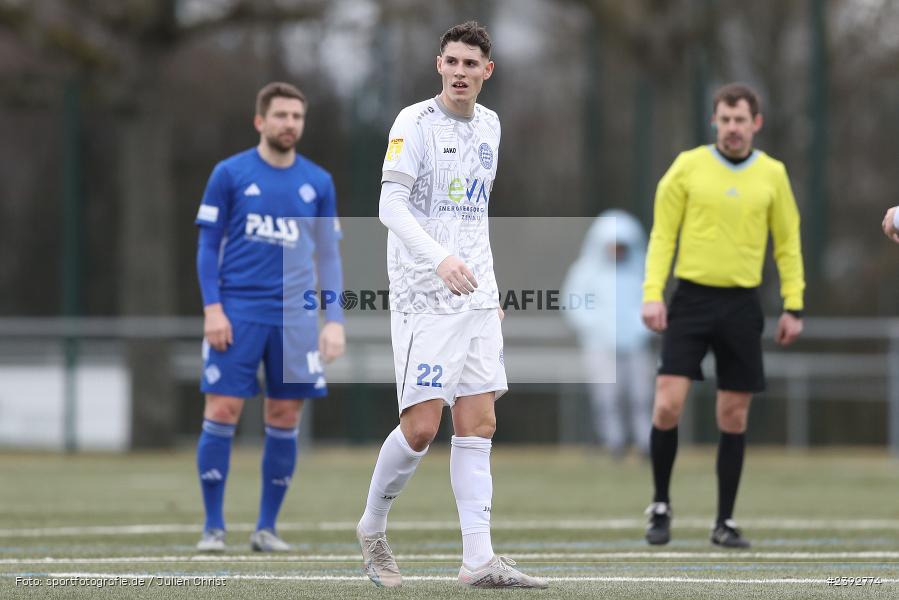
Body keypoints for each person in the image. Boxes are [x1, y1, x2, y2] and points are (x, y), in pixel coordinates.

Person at [354, 22, 546, 589]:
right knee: (420, 428)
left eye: (471, 64)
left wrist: (490, 288)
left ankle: (478, 560)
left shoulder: (491, 125)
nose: (461, 72)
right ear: (439, 64)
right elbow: (390, 205)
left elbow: (474, 216)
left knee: (479, 421)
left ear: (488, 71)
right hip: (423, 292)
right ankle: (372, 526)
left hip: (475, 293)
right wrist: (440, 261)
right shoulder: (413, 123)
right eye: (452, 62)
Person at [641, 83, 805, 549]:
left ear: (756, 123)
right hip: (690, 300)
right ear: (714, 121)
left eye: (741, 120)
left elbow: (788, 242)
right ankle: (660, 504)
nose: (733, 128)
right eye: (726, 119)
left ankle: (724, 521)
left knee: (733, 414)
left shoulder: (773, 174)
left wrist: (794, 304)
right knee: (667, 404)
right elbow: (663, 236)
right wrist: (653, 293)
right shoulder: (687, 167)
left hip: (741, 305)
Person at [193, 82, 345, 552]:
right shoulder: (230, 174)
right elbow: (207, 246)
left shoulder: (318, 182)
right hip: (238, 311)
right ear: (260, 121)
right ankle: (213, 527)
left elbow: (329, 256)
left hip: (296, 319)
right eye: (281, 115)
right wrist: (213, 309)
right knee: (223, 409)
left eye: (297, 116)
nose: (289, 124)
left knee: (283, 414)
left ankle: (266, 528)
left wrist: (334, 319)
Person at [563, 210, 653, 458]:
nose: (617, 250)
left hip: (635, 346)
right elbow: (574, 306)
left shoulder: (640, 271)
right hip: (600, 345)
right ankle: (614, 442)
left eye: (621, 245)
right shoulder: (585, 272)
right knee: (607, 397)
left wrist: (640, 330)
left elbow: (650, 304)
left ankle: (645, 442)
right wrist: (599, 328)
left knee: (641, 396)